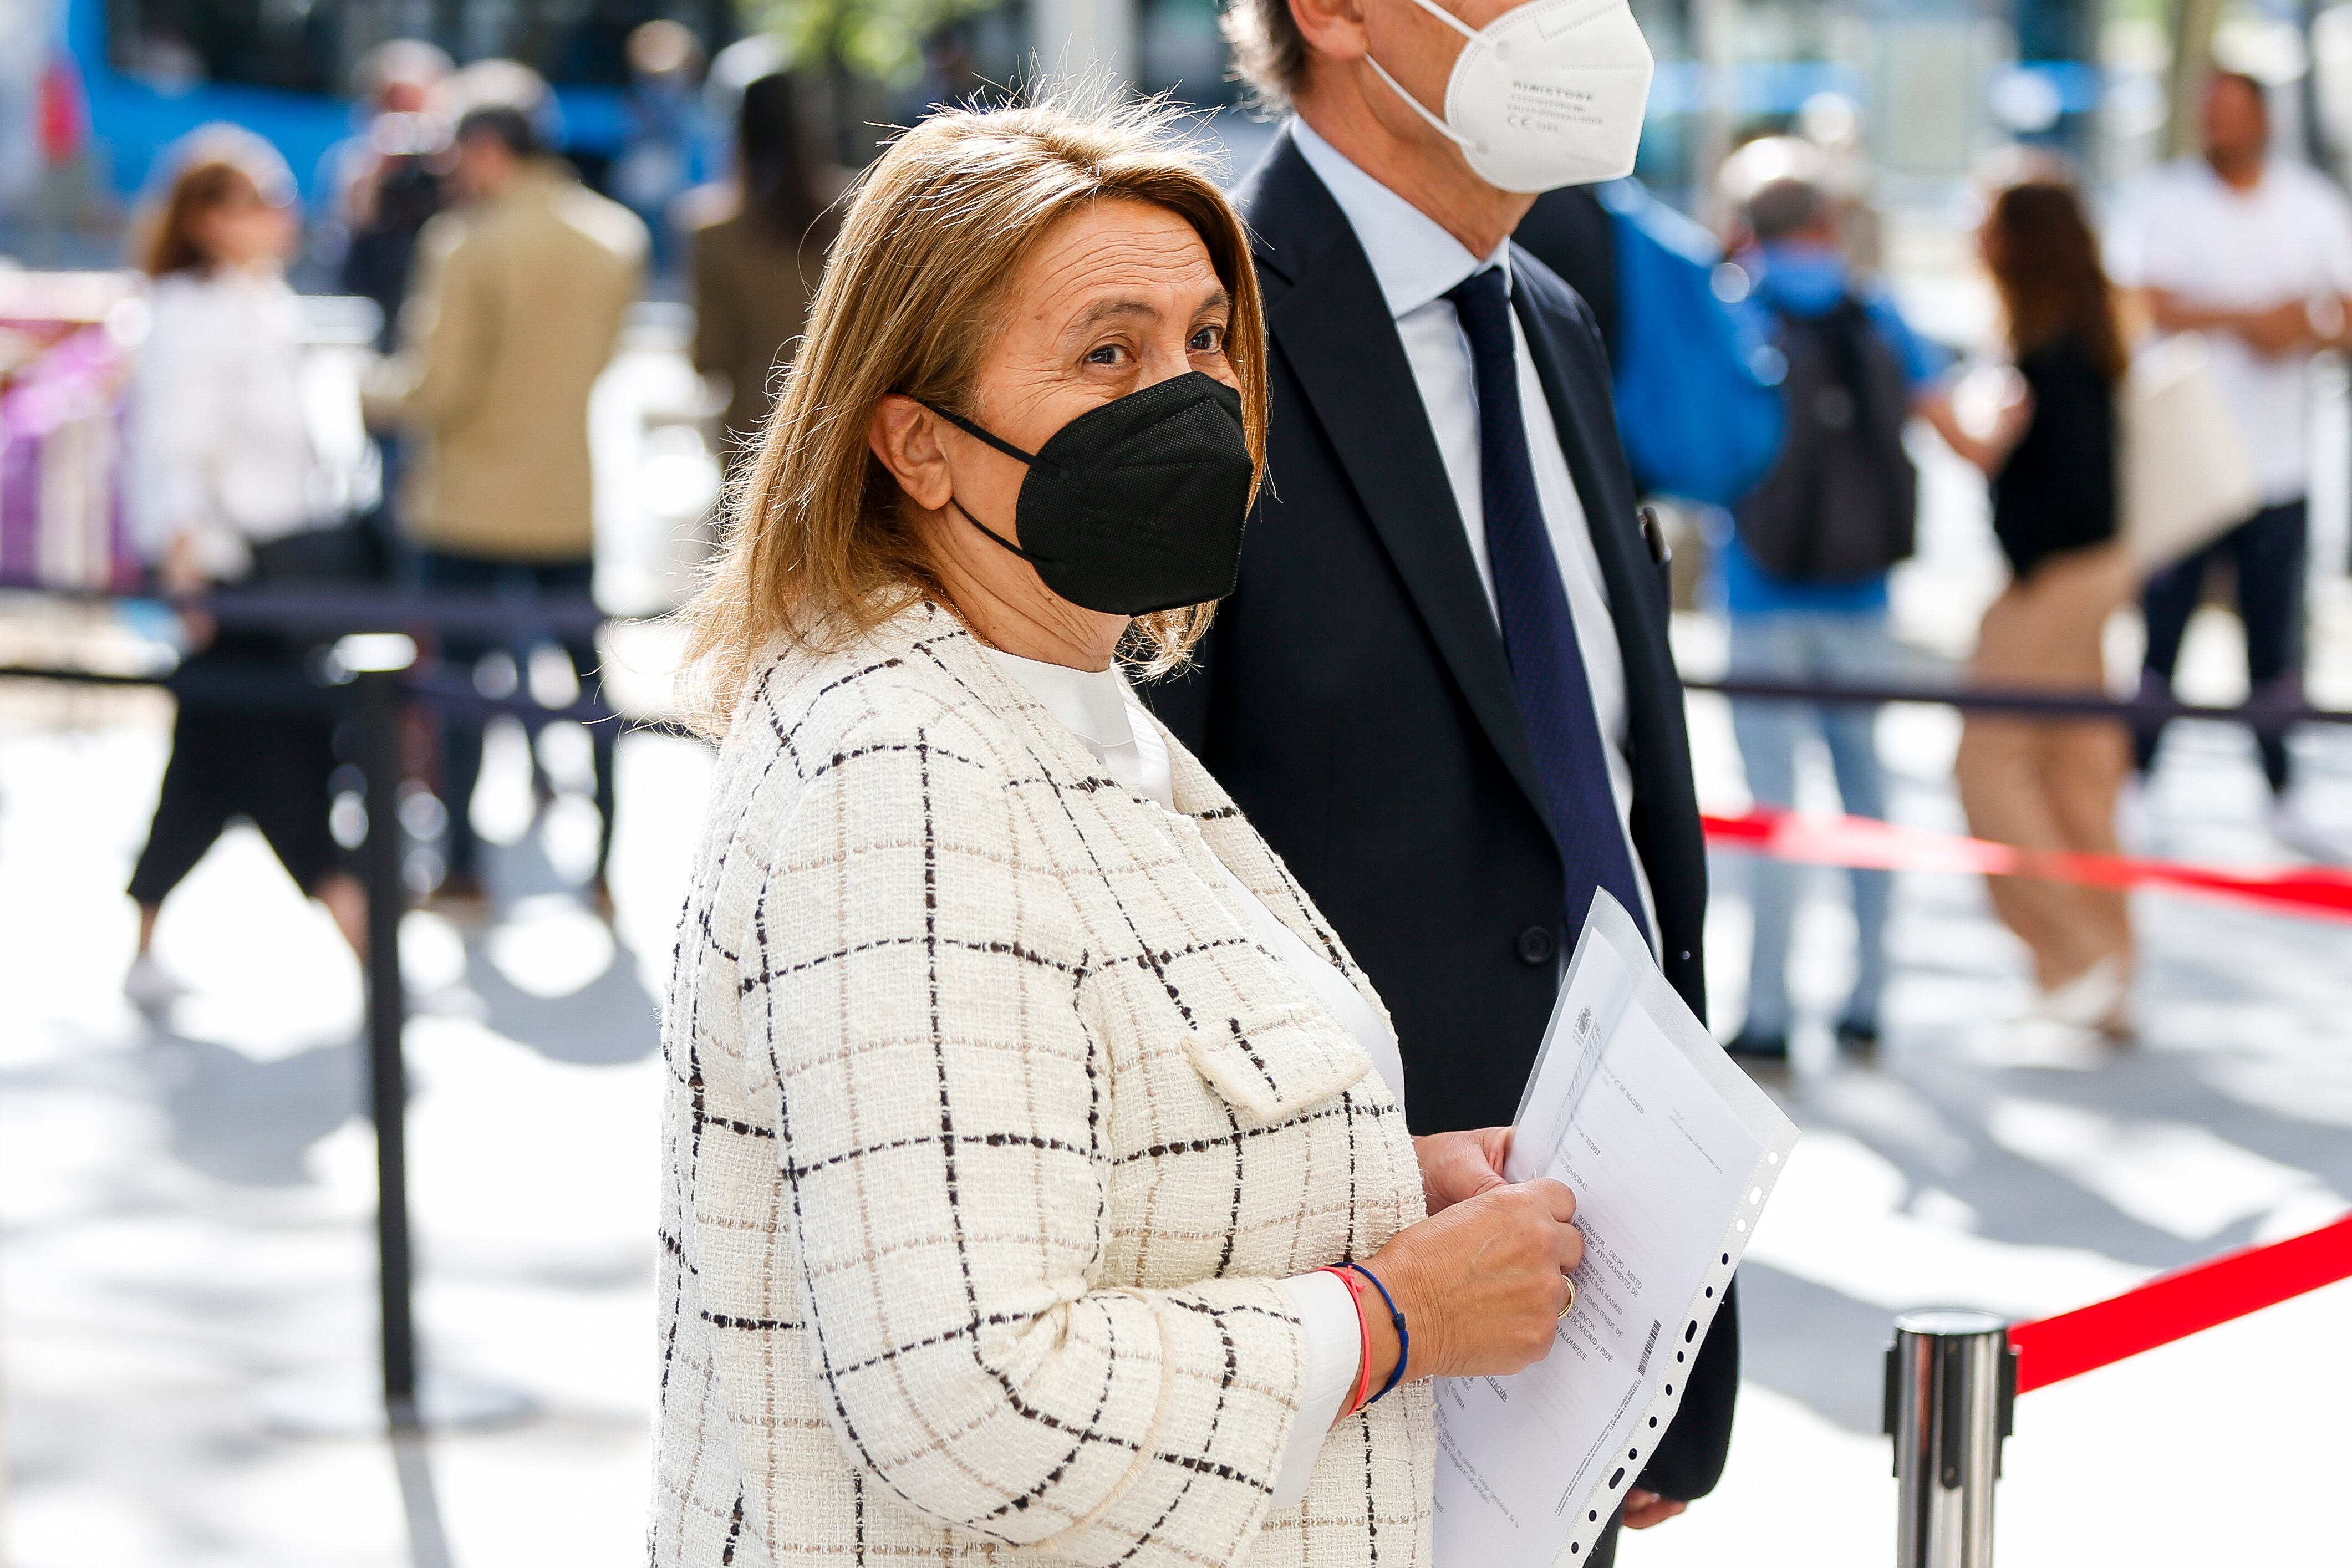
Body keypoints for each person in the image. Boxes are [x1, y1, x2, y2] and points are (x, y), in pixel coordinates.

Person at [655, 98, 1593, 1566]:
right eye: (1107, 352)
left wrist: (1368, 1179)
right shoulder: (903, 772)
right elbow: (967, 1392)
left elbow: (1060, 1148)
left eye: (1206, 339)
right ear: (916, 442)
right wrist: (1394, 1316)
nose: (1191, 396)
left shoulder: (1064, 694)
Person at [1154, 0, 1733, 1551]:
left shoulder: (1545, 313)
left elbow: (1606, 806)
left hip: (1577, 1302)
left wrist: (1673, 1323)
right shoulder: (1184, 332)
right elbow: (1137, 876)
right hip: (1326, 1323)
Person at [364, 99, 648, 909]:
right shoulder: (614, 237)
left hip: (466, 501)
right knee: (589, 684)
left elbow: (438, 388)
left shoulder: (466, 243)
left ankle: (461, 870)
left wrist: (371, 397)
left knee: (457, 692)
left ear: (488, 151)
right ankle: (602, 864)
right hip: (563, 495)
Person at [1713, 150, 1946, 1064]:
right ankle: (1868, 999)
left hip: (1760, 593)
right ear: (1825, 220)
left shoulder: (1736, 305)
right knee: (1865, 796)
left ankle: (1766, 1010)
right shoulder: (1874, 307)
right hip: (1864, 593)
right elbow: (1941, 414)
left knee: (1771, 808)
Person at [124, 137, 367, 1006]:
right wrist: (186, 568)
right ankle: (367, 945)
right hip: (235, 581)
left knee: (209, 767)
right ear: (206, 218)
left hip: (281, 576)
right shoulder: (194, 311)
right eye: (259, 199)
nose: (281, 213)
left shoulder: (261, 301)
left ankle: (144, 939)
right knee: (284, 763)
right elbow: (174, 450)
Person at [2107, 71, 2352, 847]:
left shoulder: (2309, 205)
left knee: (2271, 640)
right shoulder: (2162, 200)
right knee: (2163, 631)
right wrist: (2253, 318)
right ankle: (2139, 780)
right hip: (2185, 460)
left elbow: (2338, 312)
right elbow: (2141, 300)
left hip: (2277, 464)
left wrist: (2299, 330)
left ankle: (2279, 787)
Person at [1927, 170, 2136, 1033]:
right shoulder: (2078, 333)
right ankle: (2105, 973)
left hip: (2054, 578)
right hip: (2091, 571)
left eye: (1987, 222)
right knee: (2075, 771)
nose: (1974, 236)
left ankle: (2075, 956)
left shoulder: (2049, 351)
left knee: (1987, 763)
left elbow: (2061, 488)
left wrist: (1973, 441)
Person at [685, 71, 836, 481]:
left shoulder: (713, 230)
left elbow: (711, 357)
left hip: (755, 440)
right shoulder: (857, 210)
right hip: (845, 432)